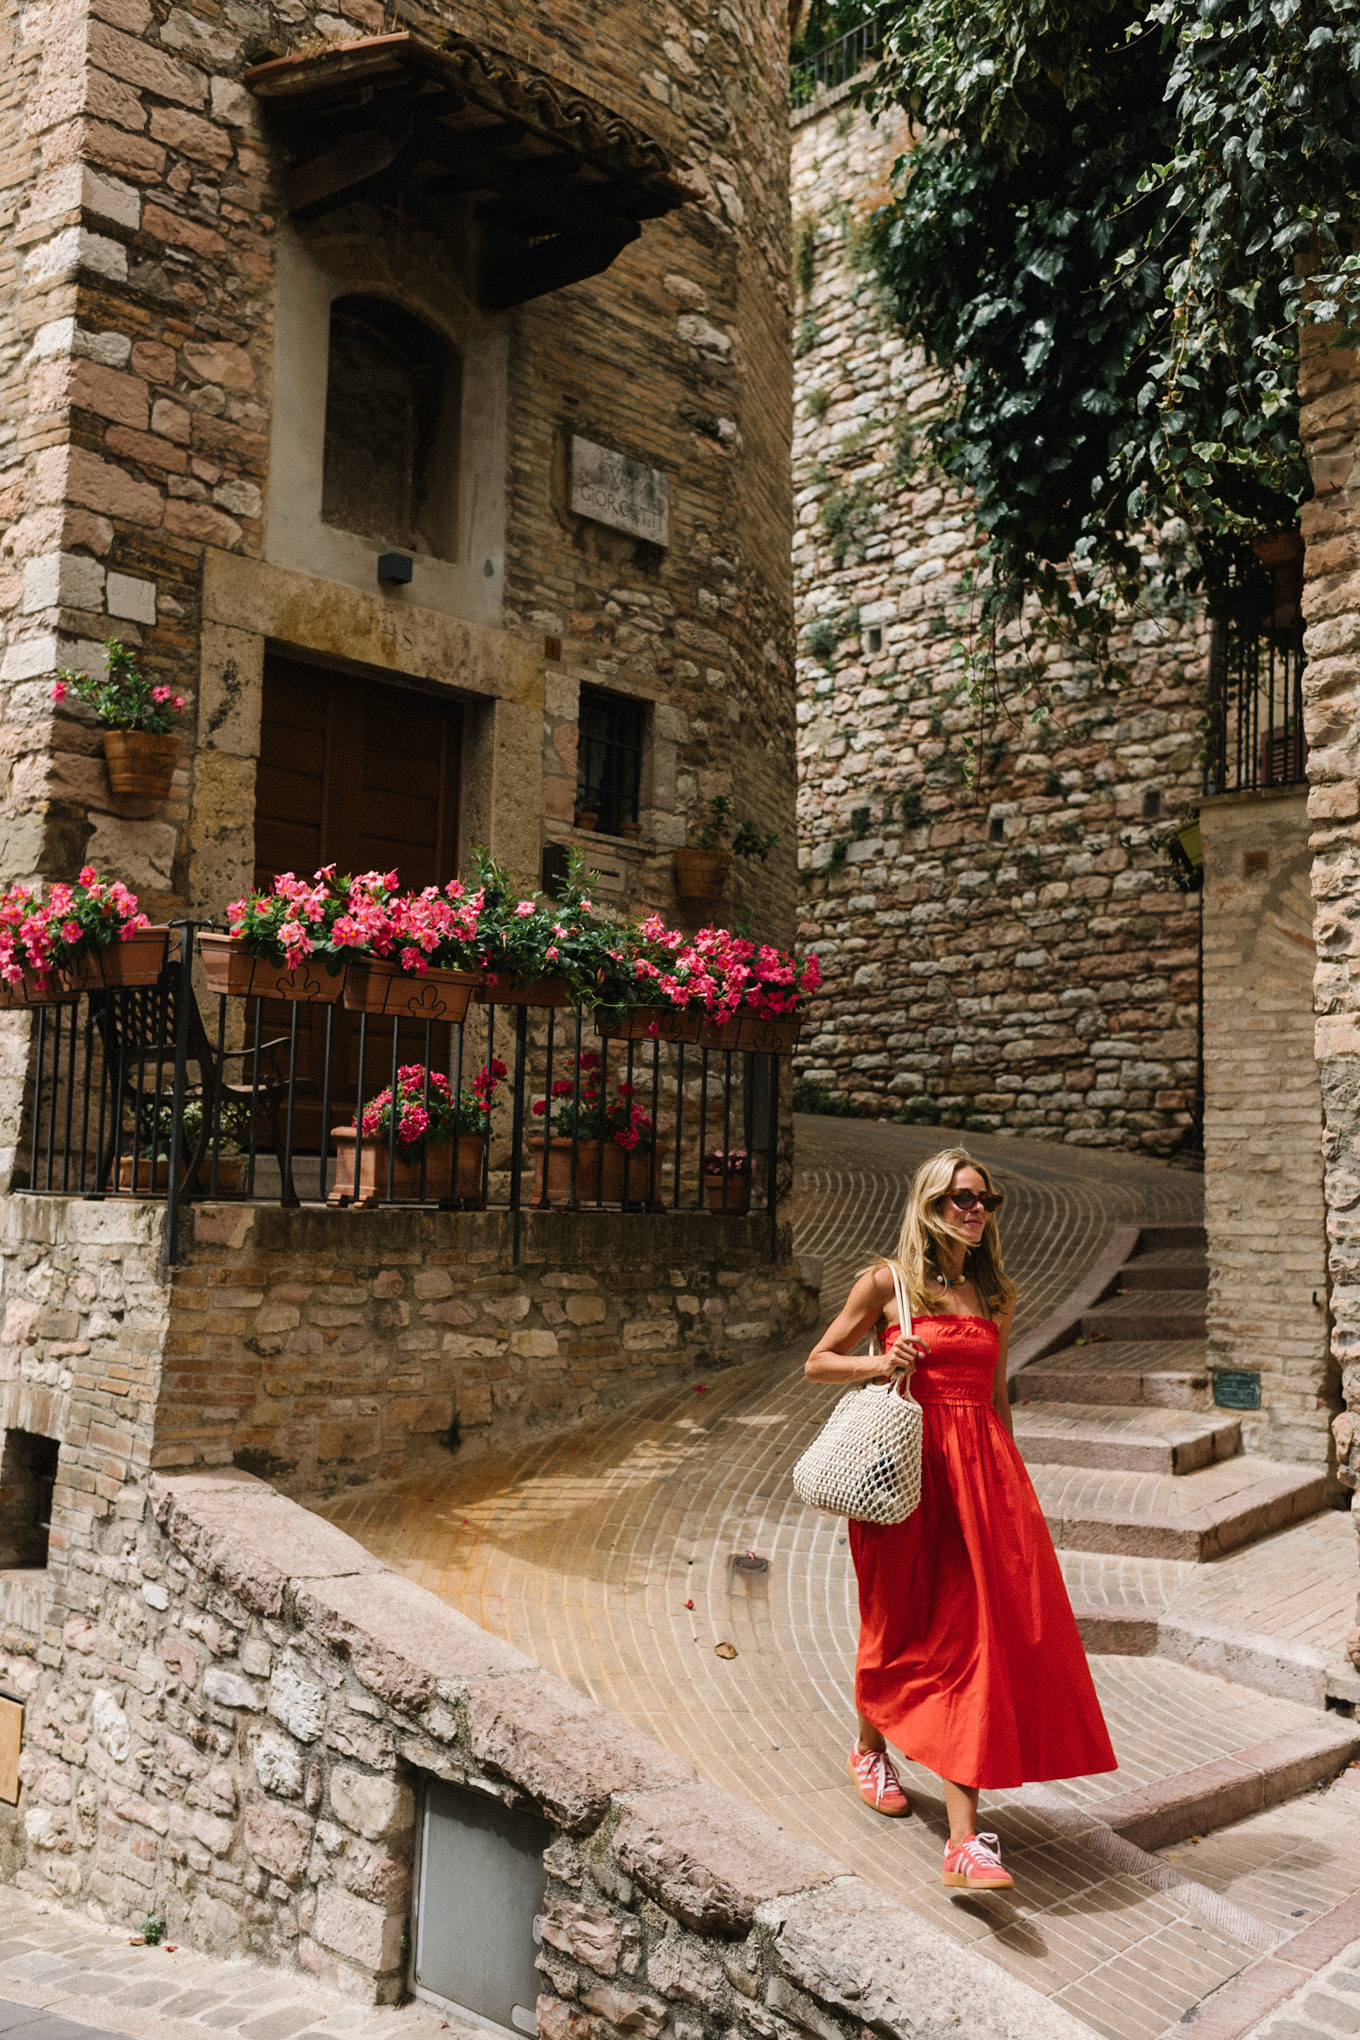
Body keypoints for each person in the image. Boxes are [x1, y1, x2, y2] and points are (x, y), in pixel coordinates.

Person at [804, 1146, 1117, 1892]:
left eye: (984, 1199)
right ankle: (868, 1750)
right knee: (897, 1620)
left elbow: (998, 1396)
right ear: (928, 1204)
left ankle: (965, 1842)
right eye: (959, 1198)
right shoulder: (887, 1283)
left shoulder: (996, 1293)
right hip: (910, 1479)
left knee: (973, 1640)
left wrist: (1015, 1488)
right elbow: (817, 1362)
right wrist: (881, 1364)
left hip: (983, 1481)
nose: (974, 1211)